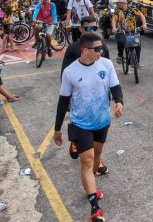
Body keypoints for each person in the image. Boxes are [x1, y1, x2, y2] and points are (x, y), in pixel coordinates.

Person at [53, 33, 123, 222]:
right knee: (87, 161)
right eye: (97, 49)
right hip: (80, 123)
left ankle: (90, 188)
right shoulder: (70, 72)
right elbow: (63, 101)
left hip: (102, 120)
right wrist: (57, 128)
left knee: (96, 156)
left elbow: (115, 87)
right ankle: (95, 209)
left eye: (102, 47)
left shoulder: (106, 65)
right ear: (85, 50)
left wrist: (119, 102)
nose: (102, 51)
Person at [110, 0, 146, 66]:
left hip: (132, 30)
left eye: (117, 3)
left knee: (137, 44)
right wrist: (114, 28)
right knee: (120, 41)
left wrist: (144, 24)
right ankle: (120, 55)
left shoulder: (132, 9)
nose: (116, 4)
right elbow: (114, 20)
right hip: (121, 31)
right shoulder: (117, 11)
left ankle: (137, 62)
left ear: (123, 3)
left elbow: (141, 16)